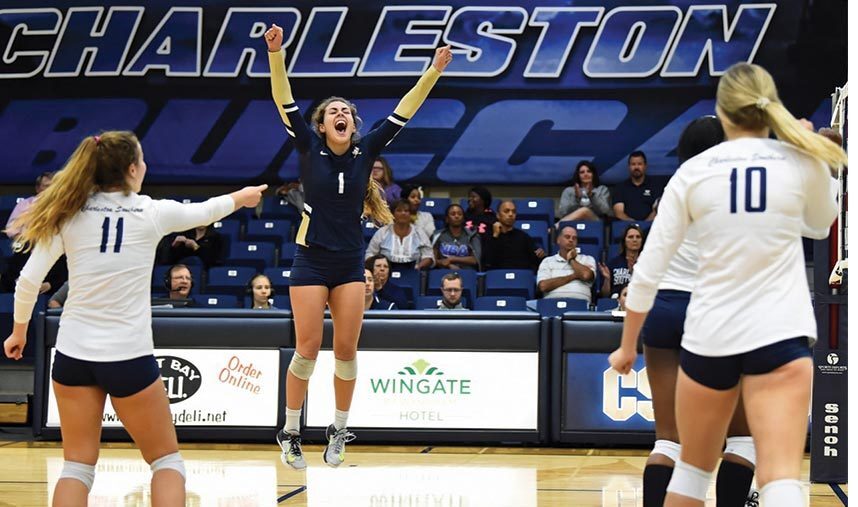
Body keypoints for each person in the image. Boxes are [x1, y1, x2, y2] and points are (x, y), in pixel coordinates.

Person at [609, 63, 845, 507]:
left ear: (725, 111)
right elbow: (820, 226)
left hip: (704, 327)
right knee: (778, 476)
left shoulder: (690, 176)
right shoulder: (795, 161)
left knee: (686, 463)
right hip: (776, 327)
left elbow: (648, 269)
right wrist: (819, 162)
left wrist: (625, 345)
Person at [2, 130, 265, 507]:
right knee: (166, 462)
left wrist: (19, 333)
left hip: (73, 356)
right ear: (131, 169)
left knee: (76, 467)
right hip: (128, 357)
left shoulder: (68, 214)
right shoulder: (151, 211)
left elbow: (27, 282)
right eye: (142, 161)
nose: (145, 167)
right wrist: (243, 197)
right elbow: (207, 210)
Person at [265, 23, 452, 469]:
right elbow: (281, 96)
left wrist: (433, 72)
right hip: (310, 260)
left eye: (346, 109)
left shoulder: (367, 149)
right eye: (332, 110)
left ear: (353, 122)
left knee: (346, 351)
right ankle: (290, 430)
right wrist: (276, 53)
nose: (340, 113)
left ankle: (338, 428)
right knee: (307, 348)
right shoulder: (309, 146)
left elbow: (406, 109)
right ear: (322, 123)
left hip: (349, 262)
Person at [624, 116, 759, 507]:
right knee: (742, 439)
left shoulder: (674, 186)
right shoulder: (743, 187)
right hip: (718, 310)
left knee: (668, 439)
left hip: (666, 308)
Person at [365, 199, 434, 271]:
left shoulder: (419, 233)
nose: (403, 213)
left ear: (410, 214)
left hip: (413, 273)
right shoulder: (382, 232)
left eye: (406, 211)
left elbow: (429, 256)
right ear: (392, 214)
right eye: (399, 210)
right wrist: (379, 267)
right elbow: (370, 254)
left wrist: (418, 266)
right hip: (385, 273)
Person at [536, 226, 596, 303]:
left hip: (580, 306)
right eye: (567, 237)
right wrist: (574, 276)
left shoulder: (588, 259)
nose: (571, 240)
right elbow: (543, 286)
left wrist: (571, 260)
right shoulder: (547, 261)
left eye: (574, 238)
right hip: (551, 305)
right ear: (558, 240)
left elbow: (585, 275)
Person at [483, 200, 545, 271]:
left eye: (514, 212)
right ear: (498, 215)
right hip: (498, 277)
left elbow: (537, 260)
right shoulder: (489, 236)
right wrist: (495, 236)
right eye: (506, 211)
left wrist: (540, 255)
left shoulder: (523, 236)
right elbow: (487, 262)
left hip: (521, 277)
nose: (510, 214)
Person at [612, 151, 662, 221]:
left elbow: (657, 210)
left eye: (639, 164)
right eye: (633, 164)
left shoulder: (655, 186)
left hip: (651, 226)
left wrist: (644, 225)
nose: (636, 167)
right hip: (626, 227)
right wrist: (634, 226)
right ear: (629, 166)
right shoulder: (620, 188)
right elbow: (619, 212)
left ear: (645, 166)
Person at [599, 224, 645, 298]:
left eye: (638, 237)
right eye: (630, 237)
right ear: (624, 241)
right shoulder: (613, 264)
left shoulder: (646, 264)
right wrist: (607, 279)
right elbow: (605, 295)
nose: (634, 240)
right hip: (616, 302)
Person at [433, 203, 481, 271]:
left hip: (467, 273)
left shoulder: (472, 235)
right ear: (447, 219)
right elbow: (432, 260)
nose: (456, 216)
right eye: (453, 214)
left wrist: (452, 259)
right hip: (444, 272)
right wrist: (448, 265)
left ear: (463, 218)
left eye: (459, 214)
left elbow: (475, 259)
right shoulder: (437, 235)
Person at [157, 223, 224, 268]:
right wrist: (174, 246)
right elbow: (169, 260)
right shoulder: (185, 234)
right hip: (181, 268)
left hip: (202, 271)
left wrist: (196, 247)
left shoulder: (215, 237)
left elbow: (212, 260)